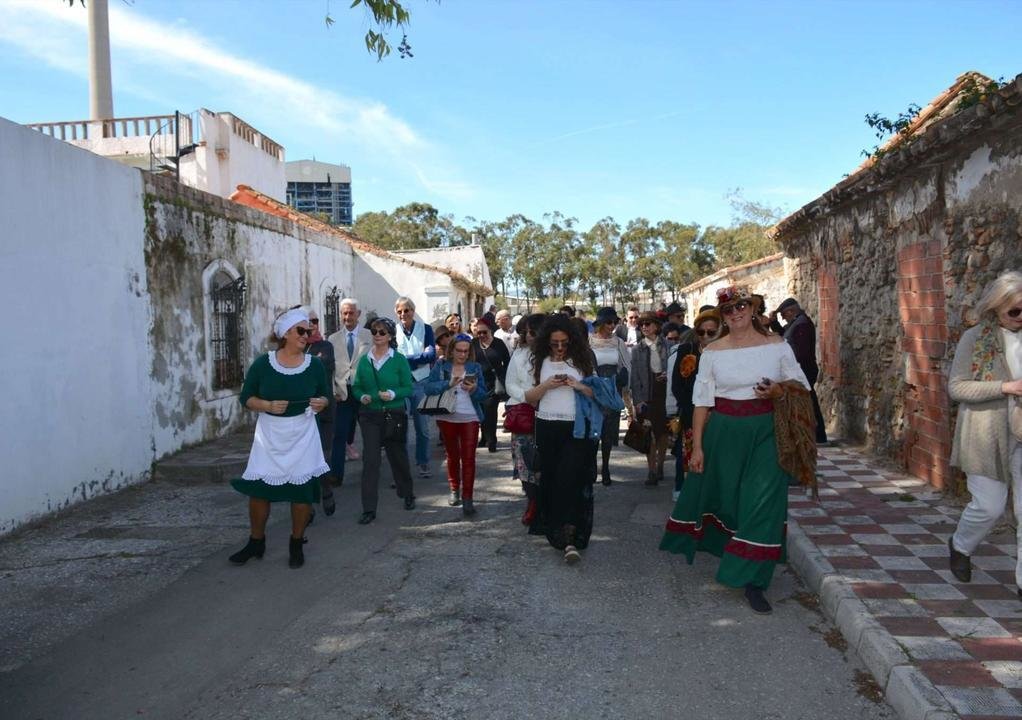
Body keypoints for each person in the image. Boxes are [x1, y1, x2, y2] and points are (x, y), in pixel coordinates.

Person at [660, 285, 809, 614]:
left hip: (767, 432)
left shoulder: (776, 346)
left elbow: (802, 385)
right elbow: (701, 402)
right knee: (730, 502)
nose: (736, 313)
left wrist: (778, 389)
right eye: (728, 310)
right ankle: (739, 556)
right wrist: (696, 448)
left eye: (742, 306)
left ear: (753, 308)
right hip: (723, 433)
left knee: (764, 501)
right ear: (723, 316)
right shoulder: (713, 352)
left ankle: (752, 579)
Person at [229, 308, 331, 569]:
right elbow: (246, 397)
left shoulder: (315, 365)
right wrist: (266, 405)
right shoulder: (264, 364)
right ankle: (256, 542)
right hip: (270, 435)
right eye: (301, 330)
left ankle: (296, 543)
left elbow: (325, 395)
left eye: (309, 331)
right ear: (285, 333)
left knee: (301, 493)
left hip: (303, 434)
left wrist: (322, 403)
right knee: (260, 491)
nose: (307, 335)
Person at [525, 314, 622, 564]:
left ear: (573, 341)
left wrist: (578, 386)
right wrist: (547, 385)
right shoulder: (539, 361)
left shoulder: (583, 360)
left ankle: (571, 537)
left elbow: (597, 393)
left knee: (572, 479)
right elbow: (530, 398)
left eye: (564, 343)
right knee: (553, 479)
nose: (559, 348)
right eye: (554, 343)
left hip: (577, 428)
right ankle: (557, 531)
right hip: (547, 425)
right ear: (546, 341)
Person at [947, 271, 1022, 591]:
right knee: (989, 507)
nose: (1021, 317)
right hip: (986, 435)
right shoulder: (975, 339)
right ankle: (960, 545)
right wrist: (1006, 387)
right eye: (1015, 311)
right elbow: (957, 388)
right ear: (996, 308)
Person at [352, 317, 416, 525]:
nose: (377, 335)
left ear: (390, 336)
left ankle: (407, 493)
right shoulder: (364, 360)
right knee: (371, 461)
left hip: (393, 415)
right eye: (374, 332)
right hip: (370, 416)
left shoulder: (398, 359)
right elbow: (357, 387)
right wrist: (362, 397)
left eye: (382, 332)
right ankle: (368, 508)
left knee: (398, 457)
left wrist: (392, 393)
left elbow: (408, 387)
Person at [423, 334, 489, 516]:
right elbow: (428, 388)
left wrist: (474, 389)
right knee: (452, 455)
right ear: (451, 350)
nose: (462, 354)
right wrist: (448, 383)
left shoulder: (474, 367)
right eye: (459, 350)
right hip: (447, 416)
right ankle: (454, 489)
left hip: (470, 417)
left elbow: (483, 395)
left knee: (469, 458)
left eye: (466, 351)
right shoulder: (442, 365)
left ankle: (468, 498)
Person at [667, 308, 721, 502]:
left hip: (719, 414)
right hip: (690, 412)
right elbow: (676, 385)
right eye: (701, 332)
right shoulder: (685, 350)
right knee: (687, 452)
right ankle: (683, 489)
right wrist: (693, 409)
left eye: (711, 332)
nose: (705, 336)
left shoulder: (725, 353)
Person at [326, 298, 371, 505]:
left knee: (370, 435)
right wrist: (333, 390)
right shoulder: (332, 339)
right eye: (344, 313)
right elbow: (330, 369)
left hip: (364, 394)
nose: (347, 317)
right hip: (342, 394)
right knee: (339, 435)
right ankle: (336, 474)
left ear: (358, 314)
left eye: (351, 313)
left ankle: (371, 473)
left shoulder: (370, 336)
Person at [769, 298, 827, 443]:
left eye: (783, 315)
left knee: (809, 402)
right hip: (802, 369)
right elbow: (785, 335)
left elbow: (800, 351)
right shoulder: (796, 323)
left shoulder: (802, 325)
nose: (783, 318)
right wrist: (774, 323)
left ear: (791, 311)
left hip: (804, 369)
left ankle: (819, 434)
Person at [506, 313, 546, 524]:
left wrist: (541, 396)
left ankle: (545, 502)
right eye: (525, 332)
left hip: (549, 413)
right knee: (524, 462)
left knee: (545, 462)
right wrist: (527, 396)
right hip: (523, 413)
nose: (529, 336)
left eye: (533, 332)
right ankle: (532, 501)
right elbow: (510, 383)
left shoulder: (553, 355)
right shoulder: (519, 354)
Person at [395, 297, 436, 477]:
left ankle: (423, 462)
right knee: (400, 427)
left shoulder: (425, 329)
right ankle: (402, 467)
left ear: (413, 310)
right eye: (400, 311)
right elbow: (392, 358)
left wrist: (406, 359)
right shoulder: (393, 330)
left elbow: (431, 355)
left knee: (422, 427)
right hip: (401, 383)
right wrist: (417, 357)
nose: (403, 314)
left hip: (421, 381)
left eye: (407, 310)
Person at [590, 306, 631, 485]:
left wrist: (624, 383)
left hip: (613, 388)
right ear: (600, 323)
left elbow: (626, 365)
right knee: (593, 431)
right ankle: (592, 467)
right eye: (608, 322)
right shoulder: (589, 342)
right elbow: (585, 364)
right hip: (595, 388)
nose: (612, 325)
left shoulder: (618, 342)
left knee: (608, 432)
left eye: (614, 322)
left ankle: (605, 467)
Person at [631, 311, 671, 486]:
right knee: (649, 434)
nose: (644, 327)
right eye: (642, 324)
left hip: (663, 392)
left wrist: (667, 376)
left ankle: (661, 464)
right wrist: (638, 401)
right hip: (646, 394)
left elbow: (675, 369)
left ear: (657, 326)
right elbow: (634, 378)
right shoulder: (637, 349)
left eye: (648, 323)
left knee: (662, 434)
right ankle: (652, 470)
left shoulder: (668, 346)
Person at [305, 308, 337, 517]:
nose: (313, 325)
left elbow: (323, 366)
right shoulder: (293, 348)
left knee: (323, 455)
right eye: (308, 321)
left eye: (315, 320)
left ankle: (326, 489)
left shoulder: (325, 346)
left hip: (324, 407)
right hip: (303, 410)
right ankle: (306, 504)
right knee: (305, 458)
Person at [471, 315, 511, 452]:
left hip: (494, 382)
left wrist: (503, 375)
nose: (482, 335)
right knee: (481, 411)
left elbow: (507, 361)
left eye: (484, 332)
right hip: (478, 382)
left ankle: (492, 440)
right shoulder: (474, 343)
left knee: (491, 411)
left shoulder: (499, 343)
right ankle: (484, 437)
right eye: (479, 332)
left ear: (490, 331)